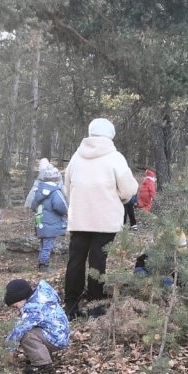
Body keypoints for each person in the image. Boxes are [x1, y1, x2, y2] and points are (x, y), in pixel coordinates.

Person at [63, 118, 138, 319]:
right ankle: (95, 305)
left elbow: (67, 188)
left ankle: (71, 305)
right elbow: (129, 189)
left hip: (79, 218)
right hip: (105, 219)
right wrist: (120, 198)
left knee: (76, 260)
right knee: (98, 260)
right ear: (110, 135)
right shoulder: (115, 158)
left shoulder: (76, 157)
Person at [4, 278, 69, 374]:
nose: (16, 309)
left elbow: (19, 329)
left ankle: (42, 364)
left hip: (56, 338)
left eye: (15, 306)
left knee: (27, 335)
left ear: (21, 299)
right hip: (58, 334)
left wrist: (10, 349)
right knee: (32, 330)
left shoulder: (34, 308)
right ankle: (43, 356)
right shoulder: (40, 297)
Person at [25, 159, 68, 270]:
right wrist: (65, 212)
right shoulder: (55, 192)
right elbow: (61, 206)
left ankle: (41, 263)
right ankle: (44, 265)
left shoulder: (39, 190)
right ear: (56, 178)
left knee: (43, 244)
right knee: (48, 245)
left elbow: (33, 205)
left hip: (41, 223)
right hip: (51, 223)